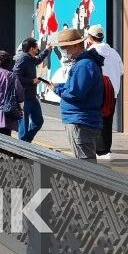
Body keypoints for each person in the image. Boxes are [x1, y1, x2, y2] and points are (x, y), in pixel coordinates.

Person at [51, 28, 104, 161]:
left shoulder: (84, 65)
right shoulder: (84, 64)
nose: (64, 51)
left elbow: (75, 93)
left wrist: (57, 89)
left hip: (81, 121)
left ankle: (91, 183)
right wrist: (60, 87)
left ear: (75, 46)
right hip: (81, 120)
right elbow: (75, 88)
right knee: (84, 163)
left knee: (85, 165)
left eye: (65, 47)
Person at [84, 25, 123, 160]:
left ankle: (98, 150)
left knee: (93, 120)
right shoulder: (114, 52)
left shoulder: (90, 53)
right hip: (112, 92)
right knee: (107, 120)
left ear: (89, 38)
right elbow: (122, 71)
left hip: (96, 92)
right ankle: (105, 150)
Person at [12, 38, 54, 142]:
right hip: (24, 97)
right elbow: (15, 76)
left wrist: (47, 50)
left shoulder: (30, 58)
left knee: (38, 121)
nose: (38, 48)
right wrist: (32, 81)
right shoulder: (23, 58)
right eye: (36, 46)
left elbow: (38, 59)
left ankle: (26, 142)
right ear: (31, 48)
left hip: (32, 96)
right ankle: (22, 148)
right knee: (24, 125)